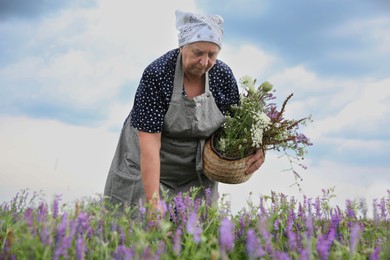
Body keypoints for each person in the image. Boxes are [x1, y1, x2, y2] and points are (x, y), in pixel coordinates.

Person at [103, 10, 265, 215]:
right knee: (138, 228)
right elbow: (150, 144)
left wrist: (257, 147)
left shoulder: (222, 76)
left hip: (193, 172)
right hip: (145, 164)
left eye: (212, 55)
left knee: (193, 236)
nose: (205, 62)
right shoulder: (158, 74)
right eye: (198, 53)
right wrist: (153, 202)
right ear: (182, 47)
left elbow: (237, 124)